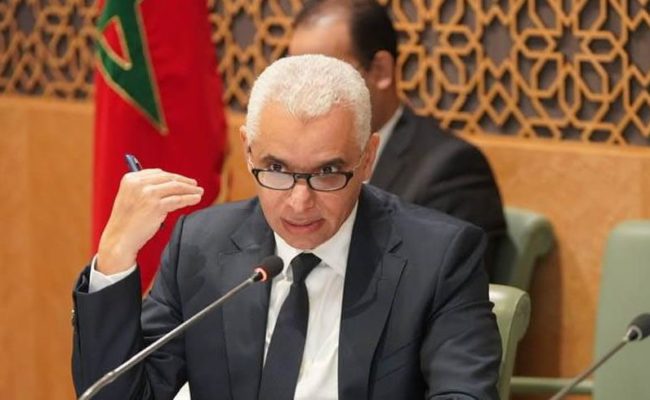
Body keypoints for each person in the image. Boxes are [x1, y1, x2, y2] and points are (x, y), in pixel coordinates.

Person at [72, 55, 501, 400]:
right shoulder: (201, 247)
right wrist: (115, 256)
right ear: (248, 151)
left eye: (328, 172)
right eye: (276, 169)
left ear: (368, 157)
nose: (299, 202)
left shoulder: (438, 258)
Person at [288, 0, 507, 274]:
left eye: (323, 78)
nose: (304, 97)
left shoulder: (452, 170)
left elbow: (446, 288)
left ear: (380, 70)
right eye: (294, 78)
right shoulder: (290, 161)